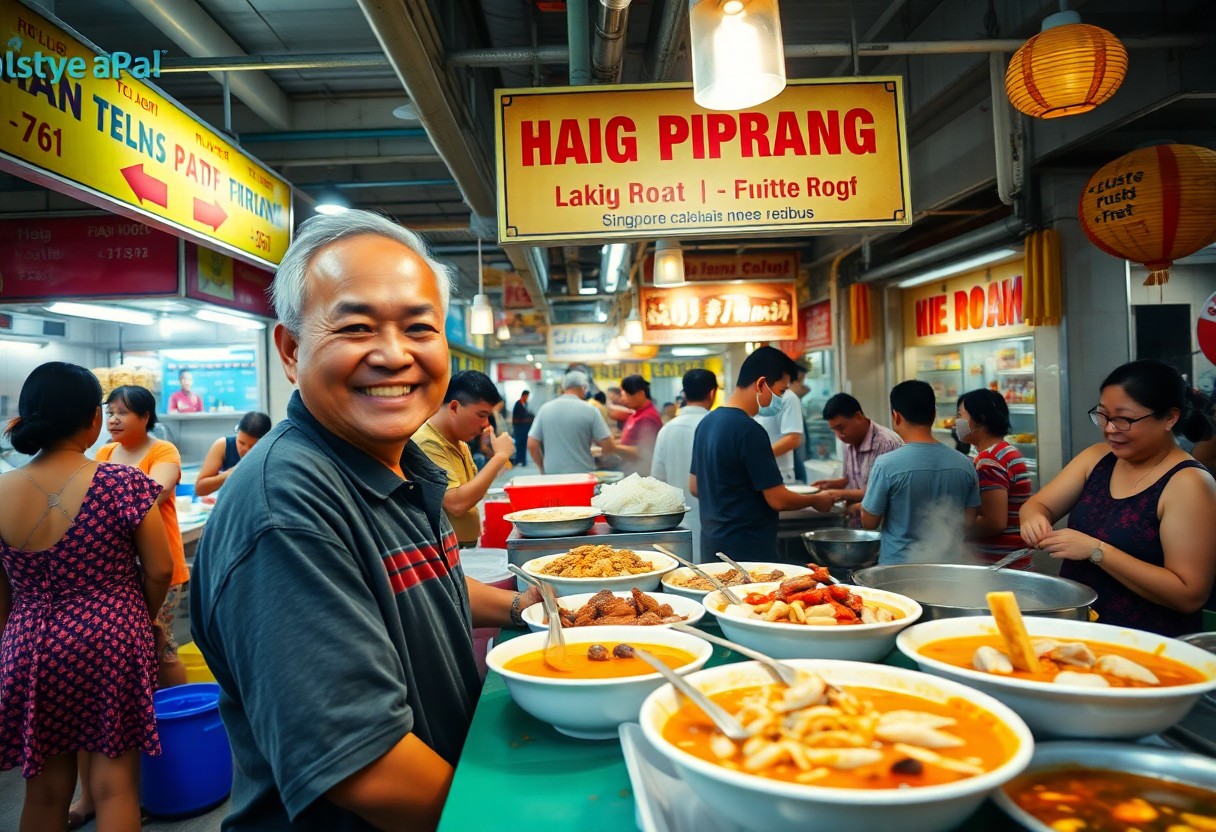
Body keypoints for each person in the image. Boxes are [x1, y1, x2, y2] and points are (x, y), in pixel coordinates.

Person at [189, 210, 540, 831]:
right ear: (291, 351)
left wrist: (526, 609)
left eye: (418, 327)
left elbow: (419, 586)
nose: (393, 354)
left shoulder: (391, 465)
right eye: (355, 326)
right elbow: (365, 767)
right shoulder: (288, 508)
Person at [0, 362, 173, 832]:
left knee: (43, 792)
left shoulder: (0, 491)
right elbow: (158, 569)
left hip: (28, 644)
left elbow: (2, 594)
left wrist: (16, 640)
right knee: (115, 786)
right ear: (93, 421)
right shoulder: (121, 483)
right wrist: (142, 617)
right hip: (110, 636)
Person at [1020, 360, 1216, 636]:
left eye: (1124, 419)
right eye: (1103, 416)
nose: (1110, 429)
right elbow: (1037, 505)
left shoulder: (1189, 483)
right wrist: (1034, 520)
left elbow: (1188, 594)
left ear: (1170, 418)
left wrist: (1096, 551)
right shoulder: (1097, 458)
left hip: (1146, 643)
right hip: (1081, 630)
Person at [690, 347, 835, 561]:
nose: (780, 398)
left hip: (712, 548)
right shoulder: (749, 430)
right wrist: (816, 499)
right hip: (748, 552)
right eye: (781, 391)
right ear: (761, 384)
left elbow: (694, 487)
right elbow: (778, 500)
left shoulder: (707, 423)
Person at [96, 385, 191, 690]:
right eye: (110, 412)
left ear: (145, 415)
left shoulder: (163, 450)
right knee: (129, 644)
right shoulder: (106, 452)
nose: (113, 420)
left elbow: (156, 494)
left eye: (123, 412)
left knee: (159, 637)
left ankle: (178, 710)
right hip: (116, 568)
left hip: (160, 565)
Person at [860, 380, 980, 564]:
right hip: (949, 569)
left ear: (896, 416)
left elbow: (869, 522)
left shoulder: (886, 465)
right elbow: (969, 521)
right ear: (934, 414)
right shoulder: (965, 464)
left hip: (898, 570)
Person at [415, 371, 515, 547]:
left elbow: (473, 493)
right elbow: (457, 504)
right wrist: (499, 457)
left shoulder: (460, 443)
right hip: (443, 551)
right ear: (454, 407)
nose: (485, 424)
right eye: (481, 415)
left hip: (463, 547)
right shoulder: (427, 443)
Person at [955, 389, 1034, 566]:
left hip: (999, 565)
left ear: (980, 419)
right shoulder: (1004, 451)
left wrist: (952, 528)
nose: (956, 422)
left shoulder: (990, 460)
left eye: (960, 416)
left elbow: (994, 522)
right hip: (1012, 561)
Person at [651, 369, 717, 562]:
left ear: (685, 394)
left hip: (678, 523)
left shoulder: (667, 429)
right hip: (715, 522)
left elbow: (656, 480)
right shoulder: (717, 426)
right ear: (712, 393)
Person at [812, 393, 904, 528]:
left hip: (881, 527)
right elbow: (851, 478)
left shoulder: (885, 443)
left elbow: (881, 492)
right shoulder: (848, 441)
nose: (839, 435)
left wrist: (839, 494)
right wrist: (831, 485)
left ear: (858, 417)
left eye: (841, 428)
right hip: (856, 524)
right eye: (834, 430)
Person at [528, 370, 617, 475]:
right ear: (583, 388)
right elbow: (608, 445)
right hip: (583, 474)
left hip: (552, 475)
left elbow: (531, 444)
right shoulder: (591, 410)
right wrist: (603, 463)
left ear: (563, 388)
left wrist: (542, 467)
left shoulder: (545, 409)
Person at [194, 411, 274, 497]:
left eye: (252, 446)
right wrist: (228, 475)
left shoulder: (272, 453)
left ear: (265, 442)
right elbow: (199, 489)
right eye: (241, 443)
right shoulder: (223, 446)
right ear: (238, 433)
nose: (245, 449)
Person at [754, 361, 807, 484]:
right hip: (757, 471)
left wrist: (757, 457)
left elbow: (793, 439)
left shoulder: (788, 398)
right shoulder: (755, 397)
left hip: (779, 472)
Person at [615, 374, 663, 476]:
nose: (623, 399)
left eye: (627, 395)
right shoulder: (636, 413)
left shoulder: (648, 417)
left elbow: (645, 451)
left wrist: (614, 447)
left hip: (641, 475)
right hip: (631, 472)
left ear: (640, 394)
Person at [510, 390, 533, 466]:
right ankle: (518, 460)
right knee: (519, 444)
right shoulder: (518, 404)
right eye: (526, 396)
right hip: (519, 428)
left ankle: (523, 461)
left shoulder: (526, 404)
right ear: (523, 396)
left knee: (524, 444)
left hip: (525, 428)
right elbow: (516, 417)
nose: (527, 398)